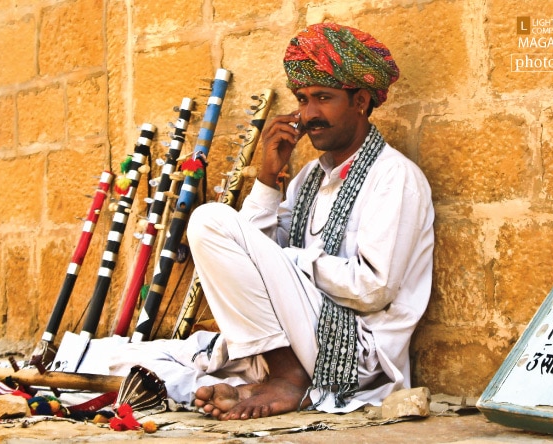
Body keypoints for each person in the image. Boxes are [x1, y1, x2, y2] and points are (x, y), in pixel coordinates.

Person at [108, 22, 434, 421]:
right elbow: (248, 264)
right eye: (302, 99)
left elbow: (373, 289)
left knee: (209, 219)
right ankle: (256, 382)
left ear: (361, 101)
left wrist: (290, 262)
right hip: (297, 334)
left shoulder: (394, 177)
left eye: (323, 98)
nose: (308, 114)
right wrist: (267, 178)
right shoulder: (307, 179)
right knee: (126, 360)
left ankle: (286, 377)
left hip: (356, 352)